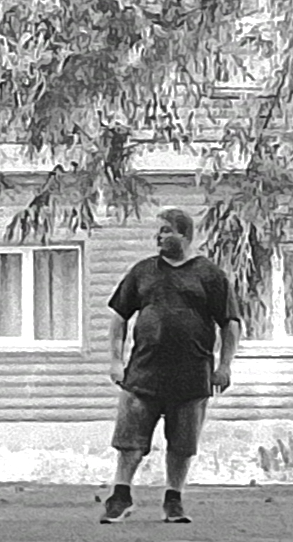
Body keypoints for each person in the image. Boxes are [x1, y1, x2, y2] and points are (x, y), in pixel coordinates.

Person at [100, 207, 241, 525]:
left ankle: (173, 501)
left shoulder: (209, 275)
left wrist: (225, 365)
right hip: (144, 373)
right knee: (129, 440)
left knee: (182, 443)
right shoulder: (143, 272)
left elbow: (230, 323)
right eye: (158, 231)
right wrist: (115, 361)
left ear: (184, 235)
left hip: (192, 374)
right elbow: (119, 318)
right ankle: (120, 497)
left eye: (166, 231)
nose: (159, 237)